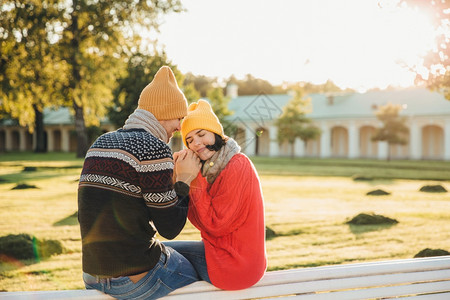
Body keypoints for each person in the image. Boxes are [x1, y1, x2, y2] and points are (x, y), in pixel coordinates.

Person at [78, 66, 202, 299]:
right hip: (134, 278)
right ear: (165, 112)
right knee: (203, 268)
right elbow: (170, 228)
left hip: (92, 274)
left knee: (192, 252)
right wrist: (184, 179)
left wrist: (169, 180)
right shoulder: (154, 148)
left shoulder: (101, 142)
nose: (179, 127)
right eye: (179, 117)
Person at [165, 99, 267, 291]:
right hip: (228, 256)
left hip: (236, 266)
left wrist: (191, 178)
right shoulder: (211, 169)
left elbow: (215, 224)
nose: (196, 143)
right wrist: (179, 177)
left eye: (201, 134)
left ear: (216, 133)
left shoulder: (237, 165)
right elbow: (197, 217)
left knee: (158, 255)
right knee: (161, 252)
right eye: (189, 140)